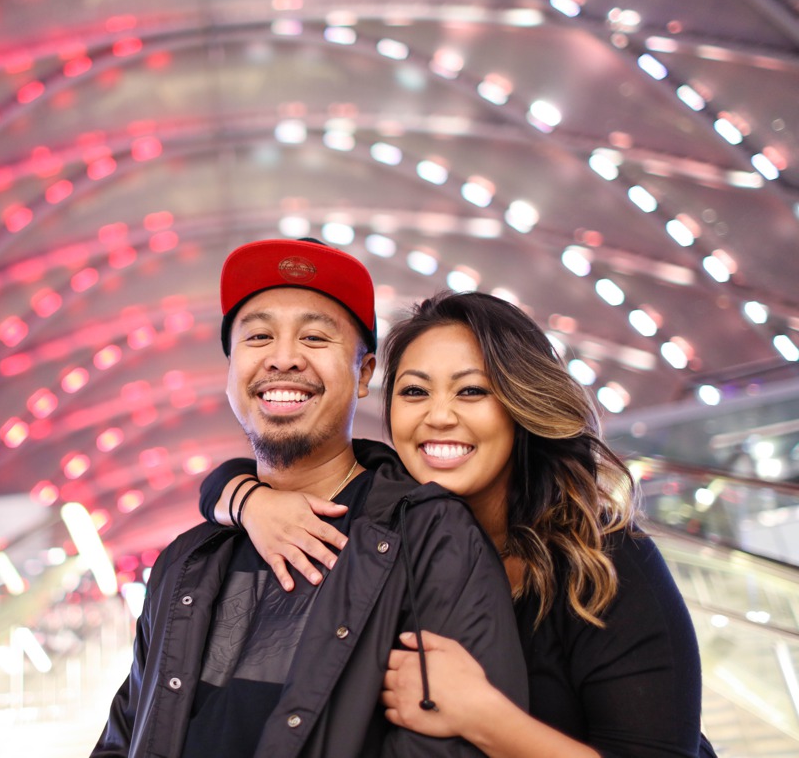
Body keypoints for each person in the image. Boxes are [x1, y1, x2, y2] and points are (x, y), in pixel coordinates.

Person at [200, 290, 711, 757]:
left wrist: (481, 713)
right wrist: (245, 498)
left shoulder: (601, 561)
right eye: (415, 393)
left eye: (471, 392)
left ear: (519, 404)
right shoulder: (388, 527)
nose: (438, 417)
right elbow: (278, 469)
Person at [92, 240, 527, 758]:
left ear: (363, 374)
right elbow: (125, 736)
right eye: (258, 335)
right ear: (231, 369)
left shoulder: (428, 536)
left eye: (316, 336)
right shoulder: (185, 561)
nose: (283, 358)